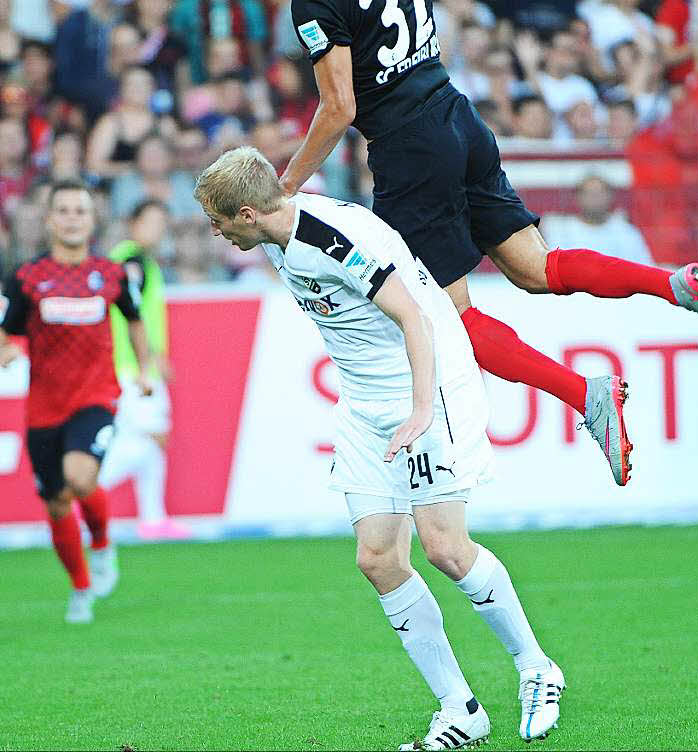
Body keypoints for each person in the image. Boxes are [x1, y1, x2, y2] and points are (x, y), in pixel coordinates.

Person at [270, 0, 698, 487]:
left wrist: (287, 183)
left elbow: (339, 108)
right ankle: (672, 283)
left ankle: (585, 397)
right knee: (534, 267)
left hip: (409, 149)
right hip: (458, 116)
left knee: (447, 321)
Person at [194, 145, 566, 748]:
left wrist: (422, 409)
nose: (214, 232)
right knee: (378, 560)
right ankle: (460, 710)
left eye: (218, 220)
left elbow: (415, 318)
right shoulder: (273, 231)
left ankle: (535, 667)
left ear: (245, 213)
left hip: (427, 387)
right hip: (364, 403)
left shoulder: (330, 239)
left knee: (445, 547)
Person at [0, 179, 151, 623]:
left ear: (92, 219)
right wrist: (7, 349)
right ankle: (81, 586)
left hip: (96, 397)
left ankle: (102, 542)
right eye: (63, 210)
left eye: (79, 211)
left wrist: (144, 369)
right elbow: (10, 331)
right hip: (45, 407)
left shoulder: (111, 273)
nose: (71, 218)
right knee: (56, 502)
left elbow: (135, 319)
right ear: (49, 219)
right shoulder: (27, 277)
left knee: (80, 479)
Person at [100, 199, 188, 540]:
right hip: (134, 368)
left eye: (161, 222)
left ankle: (153, 519)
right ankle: (84, 491)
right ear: (133, 223)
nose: (158, 229)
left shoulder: (138, 262)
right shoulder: (131, 261)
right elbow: (130, 313)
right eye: (151, 221)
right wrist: (149, 359)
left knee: (148, 441)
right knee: (150, 438)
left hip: (137, 365)